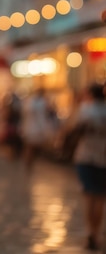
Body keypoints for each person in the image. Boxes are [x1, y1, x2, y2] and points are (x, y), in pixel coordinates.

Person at [67, 82, 106, 251]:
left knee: (89, 196)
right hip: (103, 158)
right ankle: (96, 232)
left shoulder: (85, 109)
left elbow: (73, 129)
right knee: (100, 198)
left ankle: (91, 233)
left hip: (85, 157)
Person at [20, 87, 55, 171]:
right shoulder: (38, 102)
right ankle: (29, 163)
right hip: (34, 128)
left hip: (32, 127)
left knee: (30, 146)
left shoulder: (32, 102)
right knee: (30, 146)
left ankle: (29, 163)